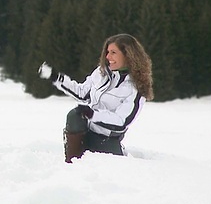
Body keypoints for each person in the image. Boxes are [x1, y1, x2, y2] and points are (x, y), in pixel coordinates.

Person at [38, 33, 153, 163]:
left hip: (107, 138)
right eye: (107, 52)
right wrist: (56, 77)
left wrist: (93, 115)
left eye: (113, 52)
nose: (108, 57)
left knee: (111, 167)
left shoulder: (136, 87)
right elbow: (82, 93)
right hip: (86, 131)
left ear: (128, 55)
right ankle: (71, 162)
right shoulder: (101, 72)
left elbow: (122, 121)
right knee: (74, 115)